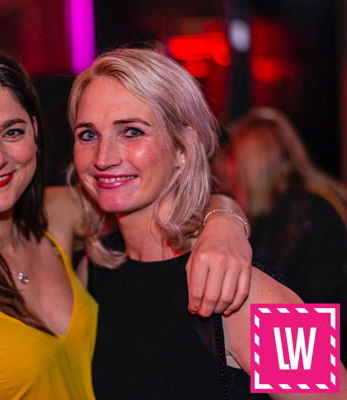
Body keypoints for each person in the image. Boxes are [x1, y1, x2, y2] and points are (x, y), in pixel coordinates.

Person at [0, 48, 253, 400]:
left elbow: (151, 194)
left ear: (35, 134)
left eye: (12, 132)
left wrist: (225, 222)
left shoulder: (56, 218)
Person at [68, 48, 347, 399]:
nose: (103, 157)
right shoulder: (97, 269)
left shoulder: (248, 290)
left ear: (183, 148)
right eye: (88, 135)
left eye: (132, 132)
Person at [225, 108, 347, 363]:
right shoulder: (310, 199)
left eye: (234, 159)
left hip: (318, 353)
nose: (229, 169)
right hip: (312, 347)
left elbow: (268, 287)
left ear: (251, 164)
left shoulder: (300, 209)